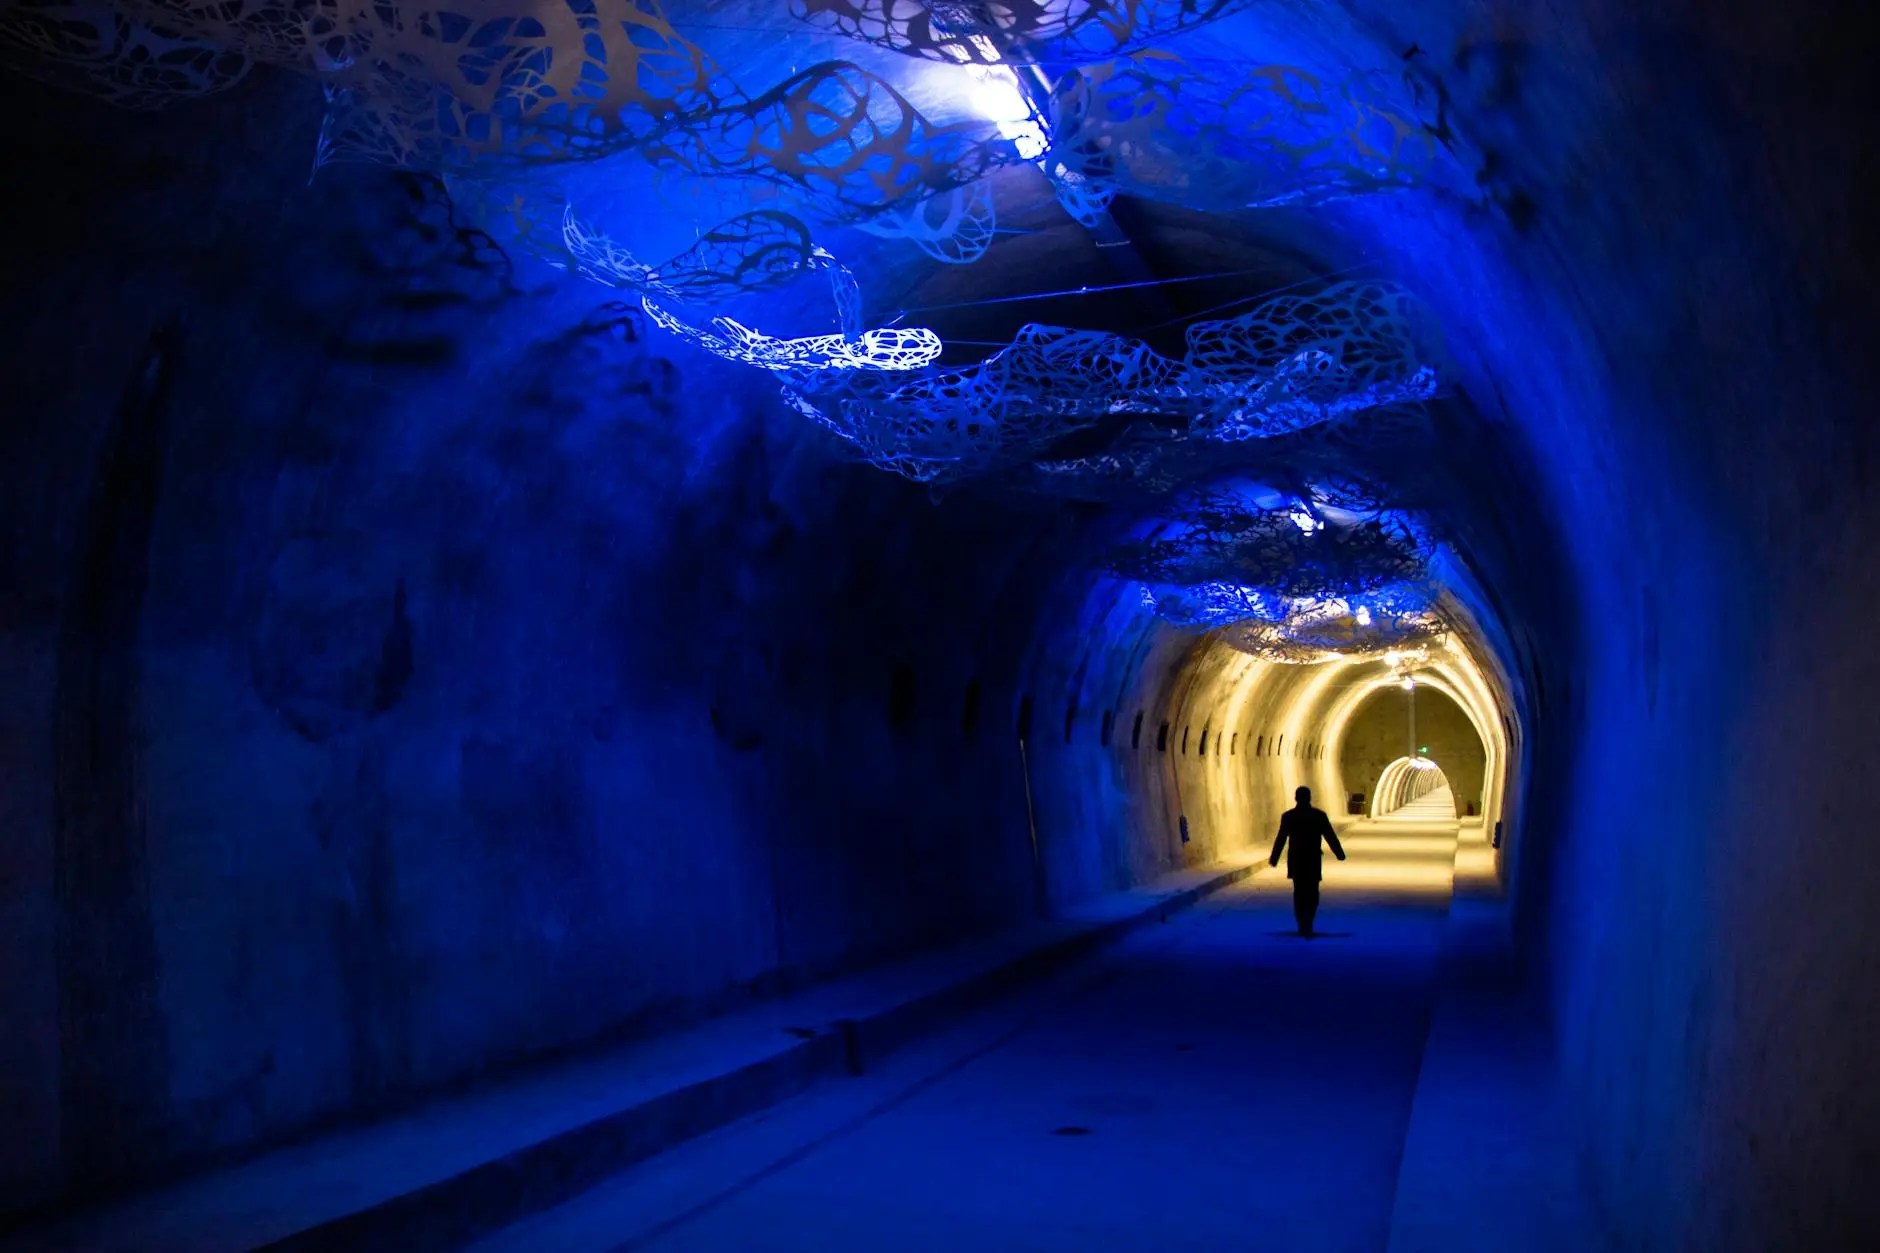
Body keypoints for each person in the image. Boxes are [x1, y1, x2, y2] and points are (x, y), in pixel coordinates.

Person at [1269, 786, 1346, 937]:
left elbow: (1281, 838)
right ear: (1310, 798)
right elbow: (1329, 835)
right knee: (1312, 891)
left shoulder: (1288, 816)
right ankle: (1309, 919)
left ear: (1296, 798)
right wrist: (1339, 853)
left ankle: (1301, 922)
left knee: (1298, 892)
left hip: (1296, 859)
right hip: (1312, 859)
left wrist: (1274, 858)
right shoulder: (1319, 815)